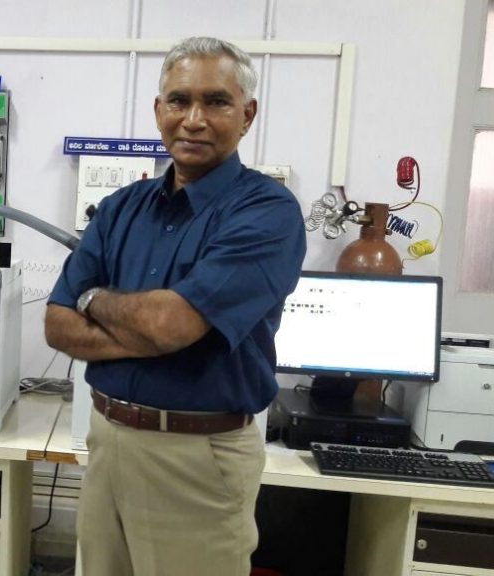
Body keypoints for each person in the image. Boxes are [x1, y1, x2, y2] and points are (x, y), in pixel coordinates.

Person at [45, 37, 306, 576]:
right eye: (179, 100)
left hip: (198, 456)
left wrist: (94, 298)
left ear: (247, 114)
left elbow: (170, 324)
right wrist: (153, 329)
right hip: (107, 441)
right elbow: (57, 324)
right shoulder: (121, 208)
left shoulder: (266, 212)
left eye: (216, 101)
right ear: (158, 109)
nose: (194, 118)